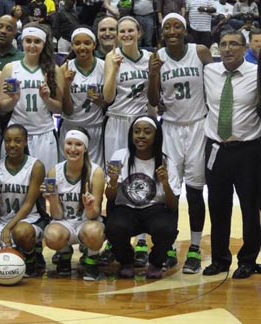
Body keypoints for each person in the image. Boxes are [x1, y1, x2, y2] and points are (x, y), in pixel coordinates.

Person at [147, 13, 213, 274]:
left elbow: (216, 82)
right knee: (169, 192)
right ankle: (169, 246)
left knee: (195, 192)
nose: (172, 31)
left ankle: (195, 248)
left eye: (177, 27)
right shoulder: (158, 57)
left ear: (185, 30)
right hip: (171, 128)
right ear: (162, 32)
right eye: (167, 27)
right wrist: (153, 75)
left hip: (198, 125)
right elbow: (153, 100)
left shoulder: (200, 51)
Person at [202, 30, 261, 279]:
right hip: (216, 149)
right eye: (224, 44)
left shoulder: (256, 74)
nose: (227, 49)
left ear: (245, 47)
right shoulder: (209, 72)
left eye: (234, 44)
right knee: (217, 207)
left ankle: (248, 259)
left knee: (250, 207)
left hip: (248, 150)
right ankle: (220, 259)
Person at [103, 16, 152, 267]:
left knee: (142, 180)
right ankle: (115, 241)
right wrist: (113, 70)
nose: (126, 34)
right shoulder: (111, 59)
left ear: (139, 32)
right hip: (116, 122)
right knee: (116, 182)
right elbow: (107, 96)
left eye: (130, 30)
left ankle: (142, 240)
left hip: (140, 123)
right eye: (122, 31)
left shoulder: (149, 58)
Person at [105, 115, 180, 279]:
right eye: (136, 131)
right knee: (113, 227)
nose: (140, 136)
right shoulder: (120, 156)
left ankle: (156, 263)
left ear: (156, 136)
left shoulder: (166, 162)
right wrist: (112, 180)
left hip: (155, 209)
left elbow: (173, 206)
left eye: (147, 132)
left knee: (167, 229)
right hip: (127, 209)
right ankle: (126, 261)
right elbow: (110, 197)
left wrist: (165, 183)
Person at [42, 128, 105, 280]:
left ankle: (92, 260)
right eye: (69, 143)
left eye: (78, 144)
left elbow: (94, 214)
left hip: (87, 222)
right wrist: (52, 199)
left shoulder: (96, 172)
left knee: (95, 232)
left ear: (85, 148)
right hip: (65, 223)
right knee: (51, 235)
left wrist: (90, 207)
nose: (72, 149)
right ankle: (64, 254)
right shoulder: (54, 171)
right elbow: (57, 215)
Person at [0, 123, 46, 277]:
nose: (12, 145)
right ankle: (18, 252)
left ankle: (31, 256)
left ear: (25, 142)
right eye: (8, 141)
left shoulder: (35, 166)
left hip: (29, 220)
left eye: (17, 141)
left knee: (21, 232)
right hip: (3, 221)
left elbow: (29, 204)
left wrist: (8, 228)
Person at [0, 23, 63, 174]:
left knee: (45, 184)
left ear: (43, 44)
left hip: (44, 132)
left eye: (37, 41)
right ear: (22, 42)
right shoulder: (10, 68)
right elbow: (2, 108)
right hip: (16, 133)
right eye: (28, 41)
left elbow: (59, 108)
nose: (32, 45)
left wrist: (47, 99)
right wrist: (14, 100)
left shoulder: (53, 69)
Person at [60, 28, 106, 167]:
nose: (82, 47)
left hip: (95, 127)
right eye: (77, 43)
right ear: (72, 46)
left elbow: (109, 105)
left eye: (87, 43)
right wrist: (66, 86)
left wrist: (99, 101)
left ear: (94, 45)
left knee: (94, 173)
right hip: (71, 127)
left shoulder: (104, 67)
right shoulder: (65, 68)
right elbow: (66, 110)